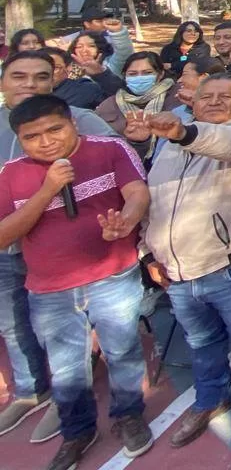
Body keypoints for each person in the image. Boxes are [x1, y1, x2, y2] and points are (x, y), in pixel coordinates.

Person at [0, 96, 153, 470]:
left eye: (55, 129)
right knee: (66, 366)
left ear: (72, 122)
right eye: (32, 136)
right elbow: (4, 236)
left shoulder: (109, 149)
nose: (46, 142)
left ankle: (129, 415)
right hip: (50, 289)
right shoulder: (10, 174)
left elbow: (138, 193)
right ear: (19, 138)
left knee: (122, 351)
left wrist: (126, 222)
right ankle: (77, 431)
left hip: (112, 276)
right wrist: (47, 190)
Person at [138, 75, 231, 454]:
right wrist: (148, 252)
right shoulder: (168, 142)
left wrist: (185, 133)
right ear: (193, 102)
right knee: (201, 343)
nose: (215, 102)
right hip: (177, 271)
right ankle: (210, 399)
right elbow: (152, 200)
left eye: (225, 96)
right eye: (207, 96)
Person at [95, 51, 179, 159]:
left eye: (147, 73)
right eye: (132, 74)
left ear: (160, 74)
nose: (140, 78)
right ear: (125, 76)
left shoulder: (177, 97)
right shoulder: (109, 105)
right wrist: (137, 142)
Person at [67, 32, 124, 98]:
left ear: (100, 47)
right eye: (79, 46)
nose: (84, 50)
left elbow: (123, 50)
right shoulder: (67, 67)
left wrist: (118, 32)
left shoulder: (112, 63)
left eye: (91, 46)